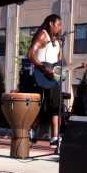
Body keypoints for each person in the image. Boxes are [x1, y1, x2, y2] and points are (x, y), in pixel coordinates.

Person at [27, 14, 63, 148]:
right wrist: (43, 69)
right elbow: (30, 54)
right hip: (41, 75)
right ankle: (32, 129)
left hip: (53, 77)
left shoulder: (58, 41)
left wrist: (77, 65)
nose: (60, 27)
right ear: (50, 24)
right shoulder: (43, 35)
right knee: (40, 107)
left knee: (56, 106)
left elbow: (59, 63)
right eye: (58, 24)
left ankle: (54, 137)